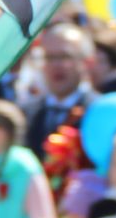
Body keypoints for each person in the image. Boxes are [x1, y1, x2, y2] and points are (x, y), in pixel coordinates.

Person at [21, 23, 98, 151]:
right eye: (49, 57)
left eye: (65, 57)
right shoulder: (26, 112)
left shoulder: (97, 110)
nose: (56, 65)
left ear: (87, 62)